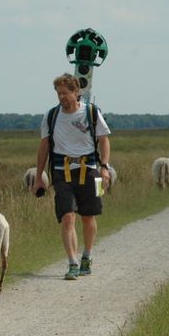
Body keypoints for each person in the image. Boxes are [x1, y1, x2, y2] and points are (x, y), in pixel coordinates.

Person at [32, 73, 112, 280]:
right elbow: (43, 147)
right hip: (61, 171)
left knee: (89, 216)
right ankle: (72, 263)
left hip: (92, 170)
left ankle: (87, 255)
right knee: (67, 217)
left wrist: (105, 167)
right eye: (58, 94)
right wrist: (39, 176)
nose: (61, 97)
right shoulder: (51, 116)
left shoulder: (92, 113)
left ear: (76, 92)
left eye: (65, 93)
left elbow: (104, 140)